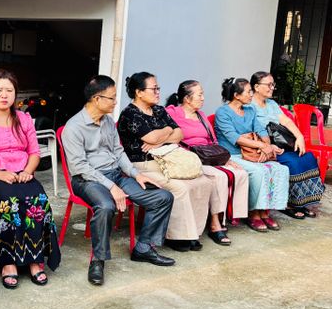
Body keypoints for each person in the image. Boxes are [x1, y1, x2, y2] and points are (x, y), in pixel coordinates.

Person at [62, 75, 175, 287]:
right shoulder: (74, 127)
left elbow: (118, 151)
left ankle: (143, 248)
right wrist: (111, 186)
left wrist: (135, 173)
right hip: (87, 180)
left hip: (115, 174)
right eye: (112, 98)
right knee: (105, 206)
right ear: (97, 99)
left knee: (163, 197)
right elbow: (80, 167)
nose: (116, 102)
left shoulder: (107, 122)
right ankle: (98, 260)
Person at [0, 69, 60, 289]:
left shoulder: (23, 119)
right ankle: (8, 261)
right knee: (9, 202)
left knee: (37, 200)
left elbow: (34, 152)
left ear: (15, 94)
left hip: (22, 173)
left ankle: (34, 258)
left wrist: (28, 170)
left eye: (9, 90)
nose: (4, 95)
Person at [118, 72, 211, 252]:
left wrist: (161, 138)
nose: (158, 92)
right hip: (142, 165)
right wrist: (168, 130)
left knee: (203, 182)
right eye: (154, 89)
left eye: (158, 88)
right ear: (139, 92)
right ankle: (175, 236)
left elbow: (179, 134)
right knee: (180, 188)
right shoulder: (130, 114)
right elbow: (152, 137)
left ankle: (192, 232)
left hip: (166, 159)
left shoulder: (159, 110)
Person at [166, 80, 249, 245]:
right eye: (200, 94)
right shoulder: (173, 112)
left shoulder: (201, 115)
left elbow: (213, 140)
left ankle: (228, 216)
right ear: (187, 98)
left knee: (240, 172)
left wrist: (225, 159)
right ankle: (215, 223)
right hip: (188, 157)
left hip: (207, 156)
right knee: (219, 177)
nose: (203, 98)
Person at [214, 78, 289, 232]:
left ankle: (265, 211)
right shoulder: (223, 112)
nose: (251, 95)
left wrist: (266, 146)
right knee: (258, 172)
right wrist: (261, 146)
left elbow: (260, 130)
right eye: (248, 92)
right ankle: (253, 212)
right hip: (233, 155)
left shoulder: (250, 110)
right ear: (236, 95)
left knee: (280, 169)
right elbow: (235, 138)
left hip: (254, 152)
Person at [249, 71, 324, 218]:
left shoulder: (271, 104)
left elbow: (286, 121)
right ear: (256, 87)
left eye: (273, 84)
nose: (272, 88)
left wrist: (299, 137)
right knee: (292, 162)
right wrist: (266, 146)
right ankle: (288, 203)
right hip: (265, 145)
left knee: (307, 157)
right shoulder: (249, 105)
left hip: (282, 143)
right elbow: (248, 130)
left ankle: (302, 202)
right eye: (269, 85)